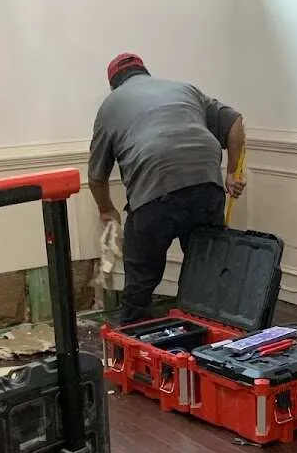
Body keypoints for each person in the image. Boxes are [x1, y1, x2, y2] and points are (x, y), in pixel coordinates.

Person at [87, 53, 246, 325]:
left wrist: (107, 210)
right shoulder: (184, 88)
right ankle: (211, 342)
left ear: (114, 84)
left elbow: (96, 176)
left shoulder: (110, 105)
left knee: (141, 277)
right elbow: (235, 123)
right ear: (145, 72)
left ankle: (135, 340)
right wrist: (233, 173)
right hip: (205, 185)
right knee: (207, 270)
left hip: (154, 192)